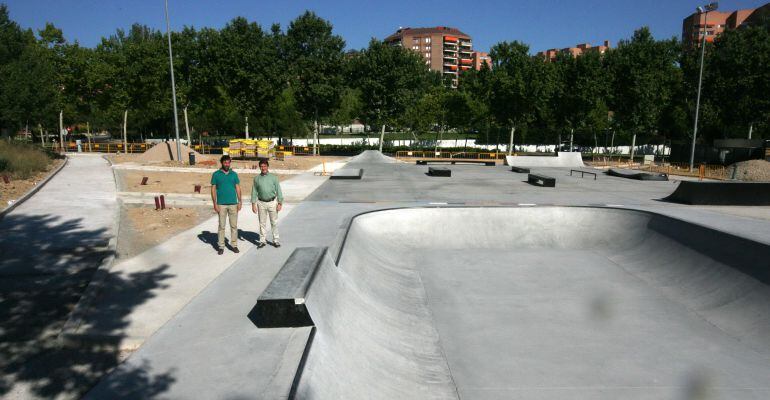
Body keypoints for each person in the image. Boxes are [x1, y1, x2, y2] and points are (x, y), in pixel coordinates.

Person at [211, 155, 242, 255]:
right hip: (221, 205)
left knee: (234, 226)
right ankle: (221, 246)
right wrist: (214, 203)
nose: (227, 164)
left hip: (233, 204)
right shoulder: (216, 174)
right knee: (221, 226)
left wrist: (240, 201)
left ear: (230, 163)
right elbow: (213, 189)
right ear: (222, 163)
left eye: (228, 162)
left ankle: (234, 245)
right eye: (225, 162)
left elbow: (237, 187)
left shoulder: (234, 174)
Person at [251, 159, 283, 248]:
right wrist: (253, 204)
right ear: (259, 167)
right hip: (261, 203)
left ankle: (276, 240)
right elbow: (254, 191)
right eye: (261, 166)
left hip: (272, 202)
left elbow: (278, 190)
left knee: (274, 222)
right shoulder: (256, 179)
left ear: (267, 167)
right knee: (262, 223)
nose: (263, 168)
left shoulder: (274, 178)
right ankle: (262, 241)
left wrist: (280, 202)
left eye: (264, 166)